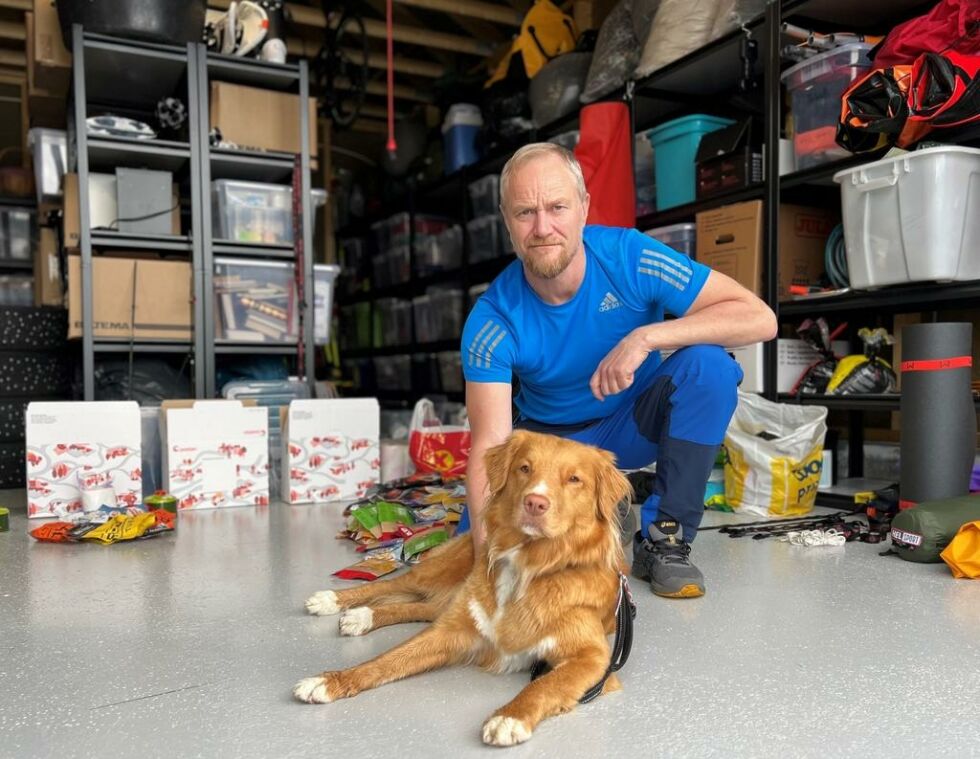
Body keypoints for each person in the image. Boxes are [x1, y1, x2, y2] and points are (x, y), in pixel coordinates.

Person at [456, 142, 777, 598]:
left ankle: (665, 539)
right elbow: (490, 443)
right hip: (548, 449)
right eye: (525, 212)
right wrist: (488, 563)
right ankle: (603, 506)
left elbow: (760, 318)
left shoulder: (629, 256)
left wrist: (647, 337)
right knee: (469, 551)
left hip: (629, 424)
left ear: (584, 208)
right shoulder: (492, 318)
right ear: (507, 222)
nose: (543, 227)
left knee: (709, 367)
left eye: (557, 207)